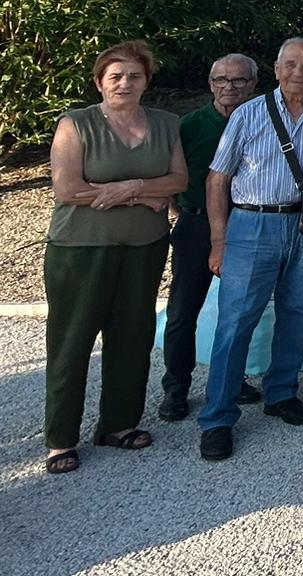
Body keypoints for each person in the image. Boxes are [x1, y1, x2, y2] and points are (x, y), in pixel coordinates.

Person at [198, 38, 303, 462]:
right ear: (277, 69)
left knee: (296, 313)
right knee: (236, 321)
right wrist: (219, 238)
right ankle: (218, 417)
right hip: (250, 225)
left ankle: (281, 393)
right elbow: (217, 180)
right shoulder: (248, 113)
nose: (299, 72)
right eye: (291, 64)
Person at [43, 41, 187, 476]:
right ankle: (60, 438)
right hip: (80, 250)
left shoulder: (165, 123)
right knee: (72, 340)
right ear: (99, 82)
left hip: (145, 247)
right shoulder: (77, 124)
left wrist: (125, 188)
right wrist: (144, 194)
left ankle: (119, 424)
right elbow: (67, 189)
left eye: (134, 76)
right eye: (115, 76)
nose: (125, 83)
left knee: (133, 334)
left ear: (146, 81)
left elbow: (178, 178)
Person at [160, 53, 262, 422]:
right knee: (184, 309)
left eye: (238, 81)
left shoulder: (261, 121)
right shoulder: (189, 126)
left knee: (239, 311)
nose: (229, 87)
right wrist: (185, 213)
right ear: (210, 84)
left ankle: (232, 380)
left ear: (252, 84)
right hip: (198, 226)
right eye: (222, 80)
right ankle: (176, 386)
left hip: (247, 226)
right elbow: (170, 174)